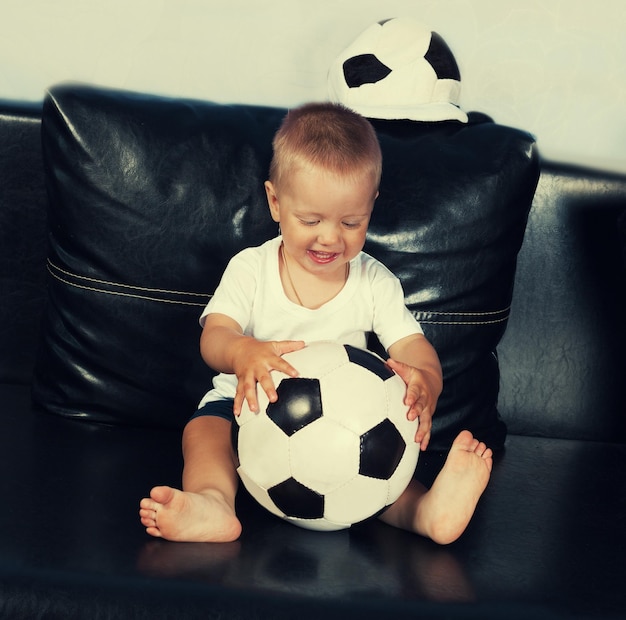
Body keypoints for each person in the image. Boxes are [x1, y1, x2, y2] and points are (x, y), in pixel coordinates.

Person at [139, 102, 492, 545]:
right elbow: (214, 337)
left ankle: (426, 512)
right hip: (245, 407)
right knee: (203, 430)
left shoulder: (374, 281)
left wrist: (427, 382)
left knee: (376, 466)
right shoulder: (251, 269)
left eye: (351, 222)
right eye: (311, 220)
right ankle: (213, 502)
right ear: (275, 202)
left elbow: (411, 347)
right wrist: (241, 351)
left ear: (371, 207)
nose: (330, 237)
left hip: (347, 425)